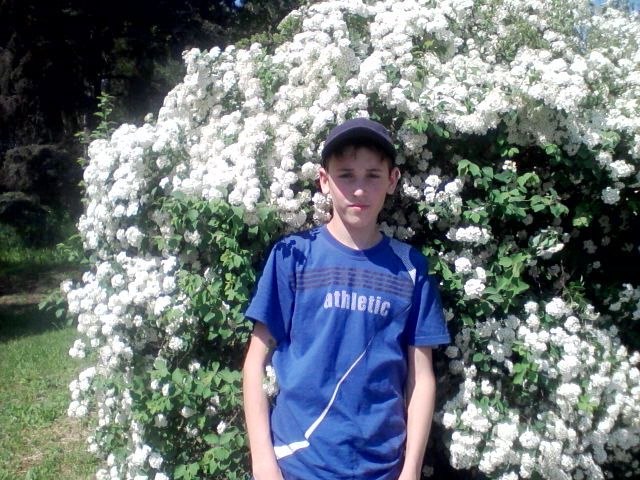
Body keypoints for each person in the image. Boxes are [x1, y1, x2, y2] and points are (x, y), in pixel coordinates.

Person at [242, 117, 451, 480]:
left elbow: (421, 377)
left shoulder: (410, 268)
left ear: (392, 180)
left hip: (381, 469)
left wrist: (411, 470)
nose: (359, 189)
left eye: (372, 175)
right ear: (325, 181)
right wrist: (263, 462)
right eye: (346, 175)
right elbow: (254, 363)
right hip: (297, 465)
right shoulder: (293, 256)